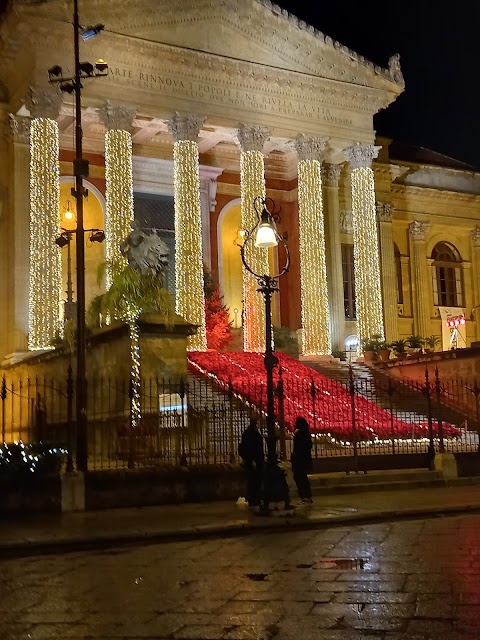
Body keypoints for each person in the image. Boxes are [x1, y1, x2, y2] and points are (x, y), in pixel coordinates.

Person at [238, 418, 264, 508]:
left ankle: (253, 500)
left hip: (252, 460)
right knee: (255, 481)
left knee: (253, 481)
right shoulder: (252, 434)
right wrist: (253, 460)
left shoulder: (248, 433)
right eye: (258, 423)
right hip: (254, 460)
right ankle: (255, 500)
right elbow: (252, 448)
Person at [291, 416, 313, 504]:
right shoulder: (307, 433)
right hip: (305, 458)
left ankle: (303, 496)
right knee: (303, 477)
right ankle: (308, 496)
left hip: (299, 459)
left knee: (298, 477)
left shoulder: (298, 434)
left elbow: (296, 448)